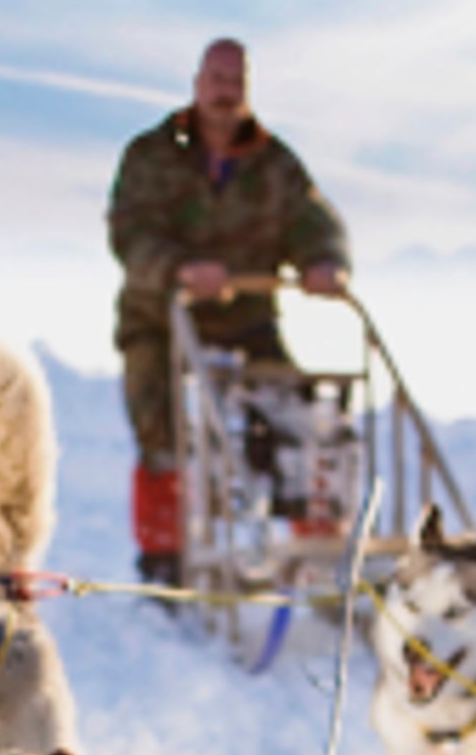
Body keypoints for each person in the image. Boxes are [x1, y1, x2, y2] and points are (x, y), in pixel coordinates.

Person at [105, 38, 351, 588]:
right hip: (161, 317)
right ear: (197, 83)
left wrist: (325, 262)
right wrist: (181, 269)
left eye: (235, 81)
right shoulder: (152, 155)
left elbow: (313, 220)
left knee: (296, 412)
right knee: (157, 421)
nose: (224, 91)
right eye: (216, 79)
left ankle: (318, 546)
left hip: (247, 317)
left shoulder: (273, 163)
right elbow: (129, 232)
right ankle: (164, 558)